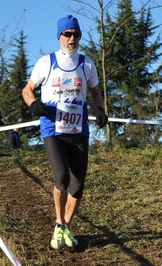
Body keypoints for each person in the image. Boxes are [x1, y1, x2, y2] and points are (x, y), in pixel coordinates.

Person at [21, 15, 108, 250]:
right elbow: (27, 90)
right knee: (62, 178)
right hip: (53, 129)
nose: (72, 38)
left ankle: (65, 226)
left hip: (79, 130)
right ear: (59, 37)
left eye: (76, 34)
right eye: (67, 34)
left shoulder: (86, 64)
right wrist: (33, 105)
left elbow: (96, 92)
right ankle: (59, 223)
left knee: (77, 186)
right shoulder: (46, 62)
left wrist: (99, 107)